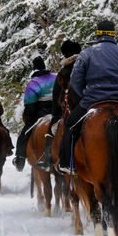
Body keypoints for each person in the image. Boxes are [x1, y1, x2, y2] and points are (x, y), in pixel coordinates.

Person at [59, 20, 118, 174]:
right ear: (113, 34)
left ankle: (67, 163)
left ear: (97, 34)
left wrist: (86, 95)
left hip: (92, 100)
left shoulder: (86, 54)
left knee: (70, 124)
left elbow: (75, 82)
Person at [35, 40, 82, 171]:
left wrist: (55, 113)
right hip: (88, 106)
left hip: (70, 110)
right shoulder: (87, 67)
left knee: (50, 131)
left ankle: (48, 159)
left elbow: (57, 96)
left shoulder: (64, 72)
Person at [12, 56, 57, 168]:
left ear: (34, 68)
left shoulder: (33, 83)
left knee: (25, 133)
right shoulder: (56, 77)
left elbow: (30, 105)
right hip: (57, 110)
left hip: (41, 112)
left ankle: (20, 158)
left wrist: (28, 119)